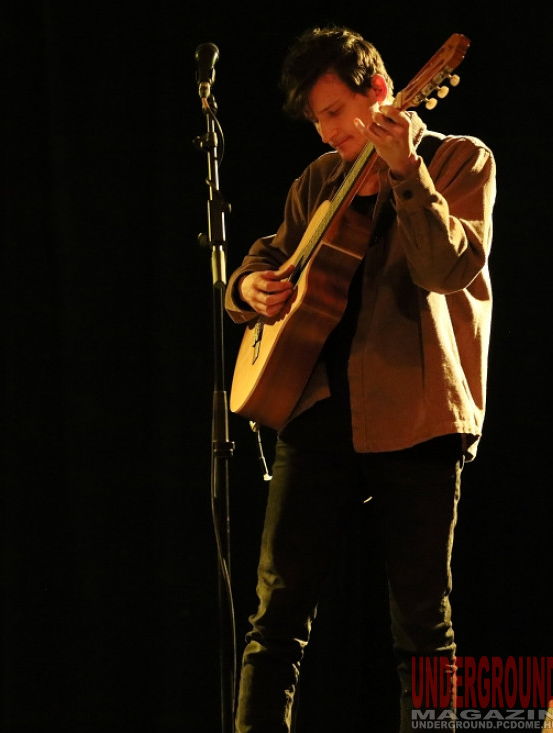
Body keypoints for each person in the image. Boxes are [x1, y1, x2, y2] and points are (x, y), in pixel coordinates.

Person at [224, 27, 495, 732]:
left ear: (379, 92)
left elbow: (446, 269)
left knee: (422, 626)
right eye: (318, 121)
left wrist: (406, 172)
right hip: (317, 411)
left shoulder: (459, 159)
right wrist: (249, 288)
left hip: (418, 415)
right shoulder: (320, 178)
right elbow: (267, 257)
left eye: (336, 113)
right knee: (275, 619)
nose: (328, 132)